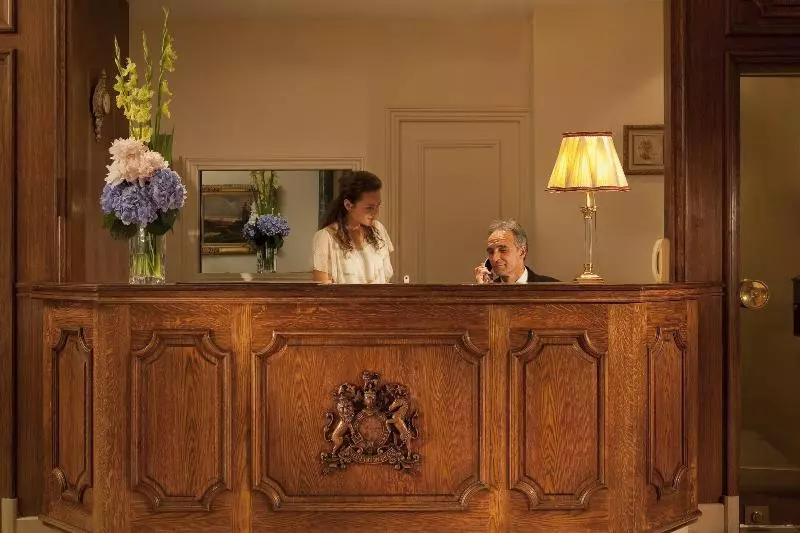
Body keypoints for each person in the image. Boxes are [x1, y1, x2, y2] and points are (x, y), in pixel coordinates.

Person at [312, 170, 394, 284]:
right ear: (348, 205)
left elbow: (386, 280)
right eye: (369, 208)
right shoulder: (326, 238)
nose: (375, 213)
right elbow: (322, 289)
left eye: (378, 206)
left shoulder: (378, 230)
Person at [473, 219, 557, 283]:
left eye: (503, 250)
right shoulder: (489, 290)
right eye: (491, 252)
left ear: (522, 252)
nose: (494, 258)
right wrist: (483, 292)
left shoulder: (553, 288)